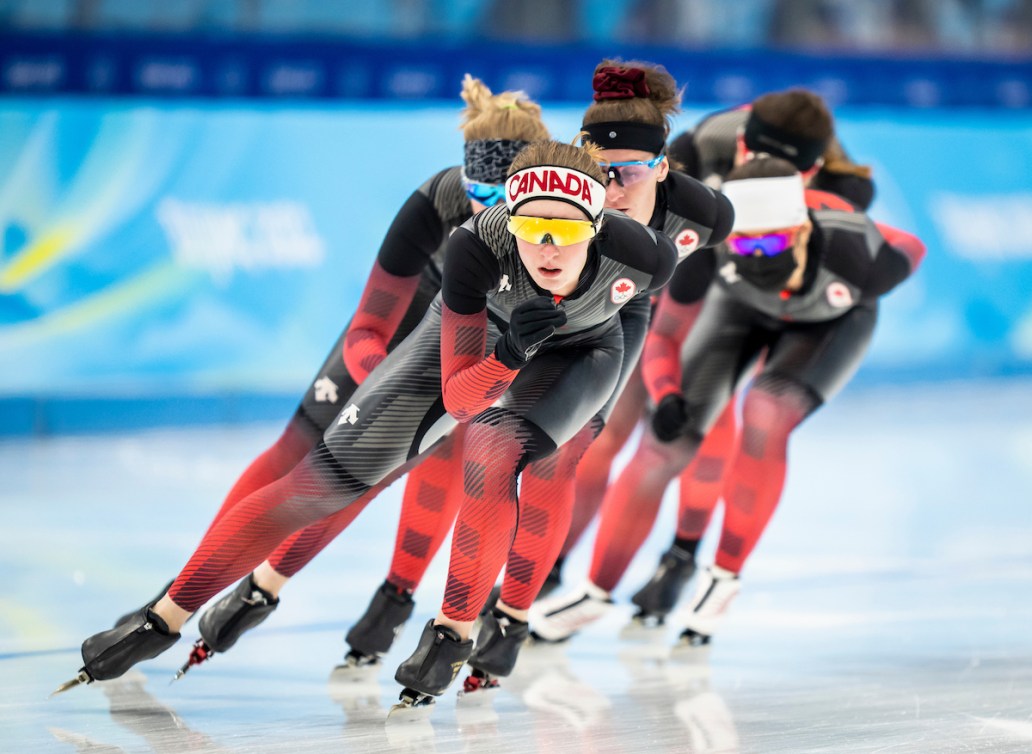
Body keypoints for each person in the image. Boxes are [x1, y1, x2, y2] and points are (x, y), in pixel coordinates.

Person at [60, 140, 681, 707]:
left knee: (494, 452)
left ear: (599, 225)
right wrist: (509, 356)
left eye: (566, 228)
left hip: (587, 348)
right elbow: (460, 399)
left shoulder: (643, 254)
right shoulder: (473, 246)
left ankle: (453, 632)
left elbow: (650, 298)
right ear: (508, 223)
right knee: (315, 485)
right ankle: (161, 618)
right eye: (533, 227)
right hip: (487, 337)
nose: (548, 247)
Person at [106, 75, 551, 675]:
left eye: (503, 199)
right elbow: (367, 330)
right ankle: (194, 581)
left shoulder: (556, 225)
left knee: (399, 464)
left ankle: (387, 600)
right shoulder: (439, 198)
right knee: (307, 453)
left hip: (481, 336)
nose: (486, 212)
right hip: (411, 327)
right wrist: (381, 381)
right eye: (477, 192)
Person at [324, 60, 736, 687]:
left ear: (662, 168)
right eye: (598, 176)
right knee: (461, 444)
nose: (610, 192)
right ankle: (407, 601)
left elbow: (731, 274)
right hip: (528, 307)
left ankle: (512, 617)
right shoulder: (558, 195)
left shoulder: (704, 215)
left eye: (625, 176)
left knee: (553, 461)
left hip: (610, 321)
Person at [530, 155, 925, 646]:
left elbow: (912, 245)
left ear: (802, 230)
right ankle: (595, 591)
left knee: (765, 410)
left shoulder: (857, 254)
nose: (757, 255)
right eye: (745, 243)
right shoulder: (710, 250)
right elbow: (665, 336)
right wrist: (668, 393)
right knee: (663, 442)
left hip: (829, 324)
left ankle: (723, 578)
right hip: (738, 311)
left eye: (771, 241)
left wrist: (868, 268)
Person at [539, 86, 845, 630]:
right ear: (741, 142)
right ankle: (554, 564)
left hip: (739, 296)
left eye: (785, 171)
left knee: (703, 422)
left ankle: (681, 555)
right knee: (608, 433)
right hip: (665, 283)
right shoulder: (704, 146)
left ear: (814, 171)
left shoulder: (841, 187)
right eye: (755, 157)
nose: (766, 168)